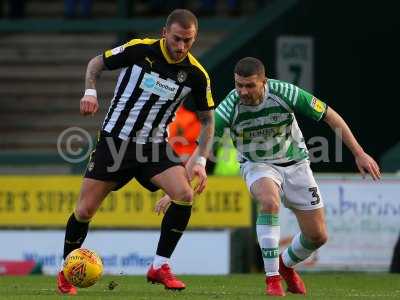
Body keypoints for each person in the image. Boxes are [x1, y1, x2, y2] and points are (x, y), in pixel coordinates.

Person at [155, 57, 381, 296]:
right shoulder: (230, 105)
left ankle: (285, 264)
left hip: (296, 164)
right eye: (239, 85)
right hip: (257, 165)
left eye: (249, 85)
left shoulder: (285, 92)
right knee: (269, 202)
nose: (242, 91)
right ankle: (272, 278)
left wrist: (359, 153)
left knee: (317, 236)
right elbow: (202, 148)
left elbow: (329, 115)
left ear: (264, 81)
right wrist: (177, 191)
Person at [56, 9, 215, 295]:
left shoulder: (195, 74)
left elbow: (207, 121)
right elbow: (96, 64)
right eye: (177, 39)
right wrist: (90, 92)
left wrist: (201, 159)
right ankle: (66, 269)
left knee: (184, 195)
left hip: (154, 147)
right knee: (84, 210)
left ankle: (159, 265)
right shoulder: (139, 50)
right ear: (165, 32)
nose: (181, 47)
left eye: (188, 41)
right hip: (115, 142)